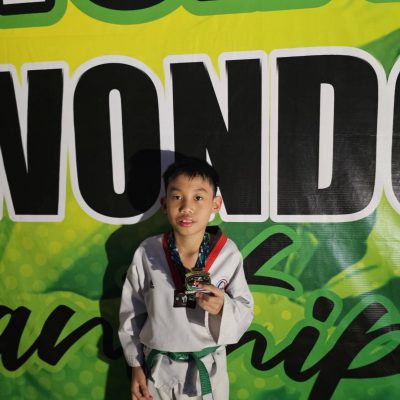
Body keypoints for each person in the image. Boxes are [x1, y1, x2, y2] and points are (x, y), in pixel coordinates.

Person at [118, 157, 253, 400]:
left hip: (207, 372)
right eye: (177, 196)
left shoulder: (228, 253)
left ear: (215, 204)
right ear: (164, 204)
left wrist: (223, 307)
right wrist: (135, 365)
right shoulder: (148, 252)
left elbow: (245, 308)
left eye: (198, 197)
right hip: (157, 371)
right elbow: (131, 312)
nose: (186, 207)